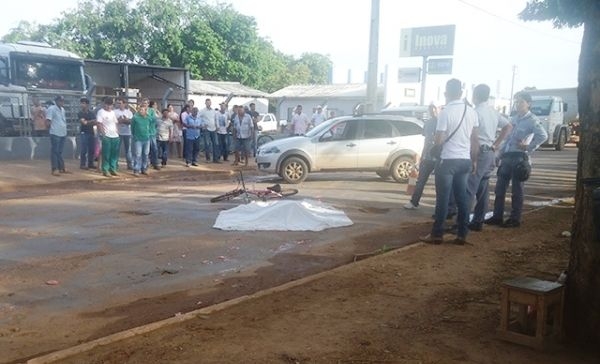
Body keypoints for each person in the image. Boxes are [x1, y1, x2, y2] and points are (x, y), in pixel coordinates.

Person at [421, 79, 479, 245]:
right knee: (462, 198)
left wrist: (436, 149)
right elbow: (475, 140)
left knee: (443, 199)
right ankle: (462, 234)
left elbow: (439, 139)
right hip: (465, 161)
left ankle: (437, 234)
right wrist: (474, 160)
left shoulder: (445, 113)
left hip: (447, 161)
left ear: (446, 94)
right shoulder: (471, 112)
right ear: (461, 93)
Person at [485, 91, 548, 228]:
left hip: (520, 157)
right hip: (507, 157)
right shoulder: (513, 119)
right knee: (499, 189)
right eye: (516, 102)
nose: (518, 104)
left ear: (528, 104)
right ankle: (497, 216)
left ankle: (515, 218)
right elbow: (507, 139)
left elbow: (543, 136)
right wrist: (499, 154)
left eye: (521, 102)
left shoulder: (532, 120)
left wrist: (528, 147)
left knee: (517, 190)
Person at [467, 84, 513, 231]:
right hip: (490, 152)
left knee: (469, 188)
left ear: (475, 96)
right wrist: (496, 144)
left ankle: (461, 223)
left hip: (479, 152)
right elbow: (508, 127)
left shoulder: (475, 113)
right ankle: (478, 220)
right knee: (483, 187)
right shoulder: (493, 112)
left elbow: (472, 137)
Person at [404, 104, 440, 210]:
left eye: (435, 108)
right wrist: (423, 155)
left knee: (440, 184)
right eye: (431, 109)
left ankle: (441, 206)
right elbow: (426, 140)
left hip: (439, 157)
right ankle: (414, 202)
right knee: (420, 181)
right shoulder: (428, 123)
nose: (433, 111)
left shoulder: (443, 121)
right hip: (427, 157)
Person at [96, 97, 121, 177]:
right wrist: (103, 134)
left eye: (110, 105)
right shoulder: (101, 112)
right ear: (104, 104)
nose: (109, 106)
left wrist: (117, 132)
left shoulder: (112, 113)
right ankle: (105, 169)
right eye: (107, 104)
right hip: (107, 135)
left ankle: (113, 169)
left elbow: (115, 123)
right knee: (106, 153)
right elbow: (99, 123)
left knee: (114, 154)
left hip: (115, 135)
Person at [46, 95, 69, 176]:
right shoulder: (51, 109)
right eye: (60, 101)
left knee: (59, 152)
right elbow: (48, 121)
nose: (62, 102)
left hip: (62, 132)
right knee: (55, 151)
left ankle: (61, 167)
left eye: (62, 101)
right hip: (55, 132)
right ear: (56, 101)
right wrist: (50, 130)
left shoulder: (63, 109)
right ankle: (54, 168)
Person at [130, 105, 153, 176]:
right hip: (138, 139)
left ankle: (144, 168)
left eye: (142, 110)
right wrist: (135, 136)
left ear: (146, 111)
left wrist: (149, 134)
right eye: (140, 110)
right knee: (138, 154)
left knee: (146, 154)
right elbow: (132, 128)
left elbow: (152, 126)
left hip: (146, 139)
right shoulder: (135, 118)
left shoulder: (149, 118)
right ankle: (136, 169)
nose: (141, 111)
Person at [78, 97, 97, 170]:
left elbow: (94, 122)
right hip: (84, 132)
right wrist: (91, 122)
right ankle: (82, 164)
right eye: (81, 103)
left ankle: (90, 163)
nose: (82, 105)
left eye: (83, 103)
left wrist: (88, 122)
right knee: (84, 149)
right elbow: (83, 122)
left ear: (87, 104)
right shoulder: (80, 113)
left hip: (91, 132)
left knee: (91, 149)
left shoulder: (91, 113)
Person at [115, 97, 134, 170]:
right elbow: (115, 121)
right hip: (118, 133)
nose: (119, 105)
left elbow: (131, 121)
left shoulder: (128, 112)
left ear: (124, 104)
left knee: (128, 150)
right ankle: (115, 164)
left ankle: (129, 165)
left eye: (120, 103)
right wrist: (123, 120)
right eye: (118, 103)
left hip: (127, 133)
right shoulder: (115, 111)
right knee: (116, 149)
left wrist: (124, 120)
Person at [199, 98, 218, 163]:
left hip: (214, 128)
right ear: (205, 103)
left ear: (211, 103)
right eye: (207, 103)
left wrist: (217, 126)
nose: (208, 104)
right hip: (206, 129)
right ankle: (208, 159)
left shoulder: (214, 111)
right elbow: (198, 118)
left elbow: (216, 119)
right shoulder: (202, 111)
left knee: (215, 143)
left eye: (209, 102)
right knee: (207, 144)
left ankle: (215, 159)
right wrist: (202, 125)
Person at [147, 100, 160, 170]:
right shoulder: (150, 110)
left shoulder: (154, 111)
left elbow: (157, 119)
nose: (156, 106)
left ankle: (154, 163)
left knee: (154, 149)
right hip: (148, 133)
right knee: (148, 149)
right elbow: (151, 119)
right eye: (155, 105)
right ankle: (150, 163)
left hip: (152, 132)